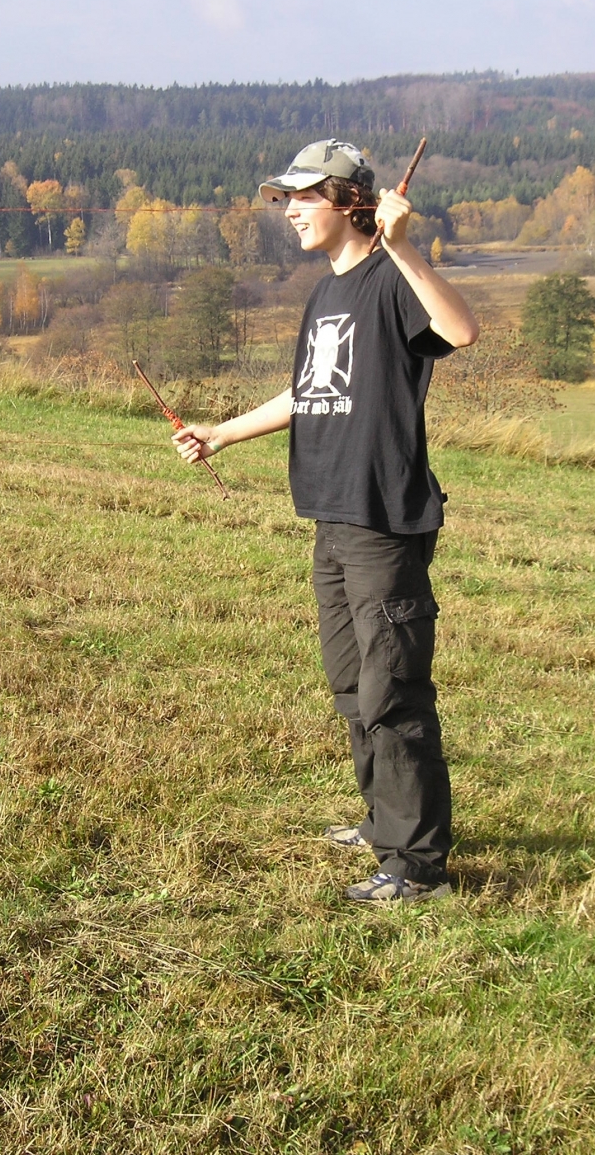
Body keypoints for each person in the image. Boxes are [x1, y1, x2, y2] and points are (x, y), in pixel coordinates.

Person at [174, 139, 479, 903]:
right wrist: (220, 433)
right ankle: (383, 821)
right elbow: (306, 392)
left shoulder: (393, 277)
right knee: (352, 683)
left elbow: (461, 330)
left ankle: (417, 867)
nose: (290, 211)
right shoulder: (325, 295)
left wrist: (403, 245)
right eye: (286, 199)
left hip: (383, 521)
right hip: (332, 516)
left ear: (349, 201)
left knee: (393, 691)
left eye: (304, 197)